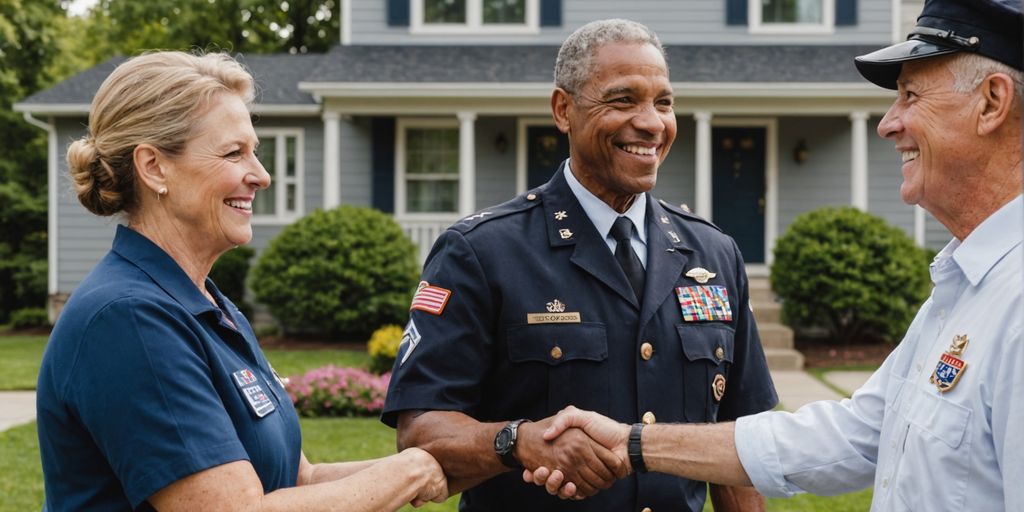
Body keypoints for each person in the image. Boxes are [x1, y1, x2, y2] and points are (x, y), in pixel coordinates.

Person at [530, 0, 1024, 509]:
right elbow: (853, 436)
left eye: (910, 95)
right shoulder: (964, 287)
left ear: (991, 102)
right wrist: (634, 443)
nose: (888, 123)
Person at [381, 19, 778, 511]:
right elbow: (420, 430)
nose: (652, 123)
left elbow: (738, 439)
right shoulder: (480, 252)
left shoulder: (714, 253)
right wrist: (519, 441)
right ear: (563, 109)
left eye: (664, 102)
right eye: (623, 100)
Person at [36, 51, 447, 511]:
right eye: (234, 153)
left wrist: (460, 453)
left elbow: (296, 477)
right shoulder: (128, 318)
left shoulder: (209, 306)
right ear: (154, 167)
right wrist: (408, 471)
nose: (262, 176)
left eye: (256, 151)